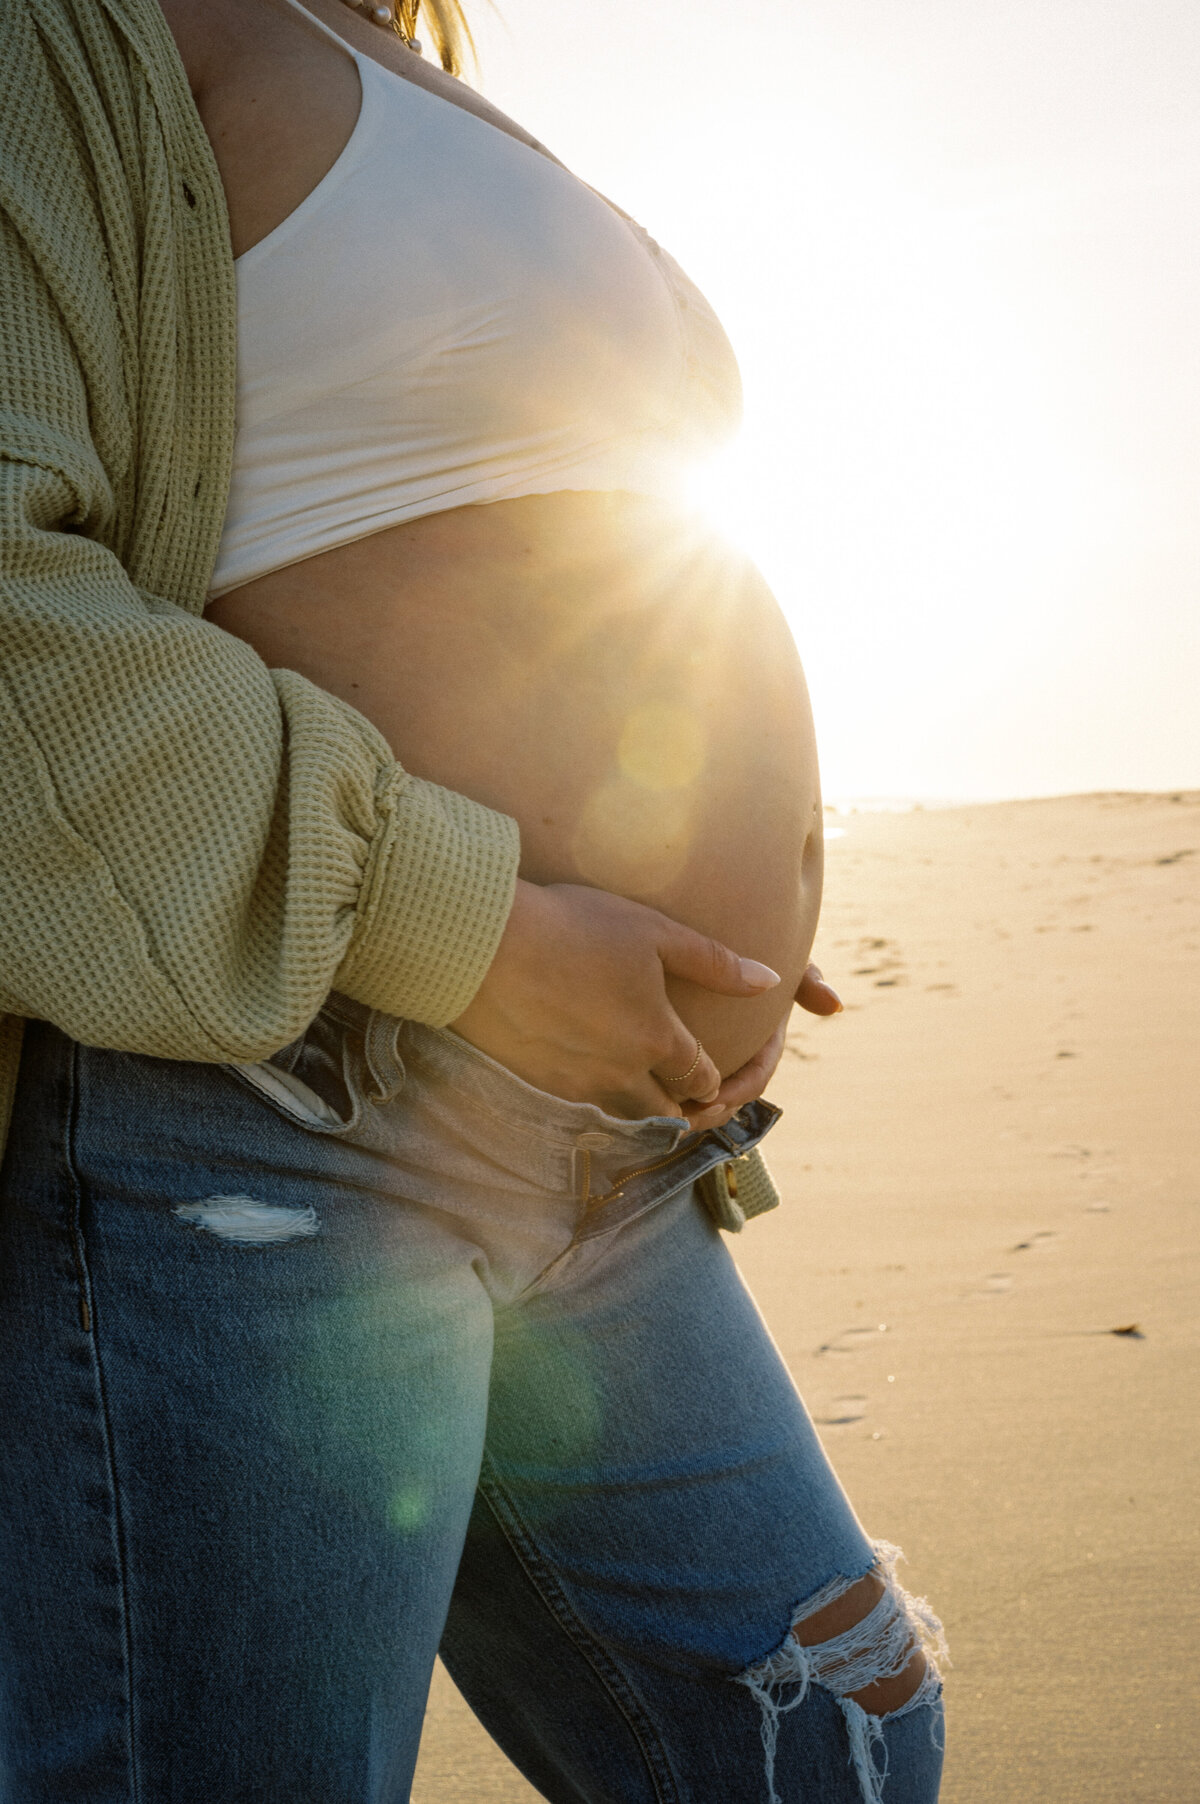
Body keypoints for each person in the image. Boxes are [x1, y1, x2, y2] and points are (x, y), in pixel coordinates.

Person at [0, 0, 947, 1797]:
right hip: (279, 1115)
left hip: (595, 1144)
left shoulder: (407, 60)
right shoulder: (73, 34)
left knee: (829, 1754)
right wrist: (485, 925)